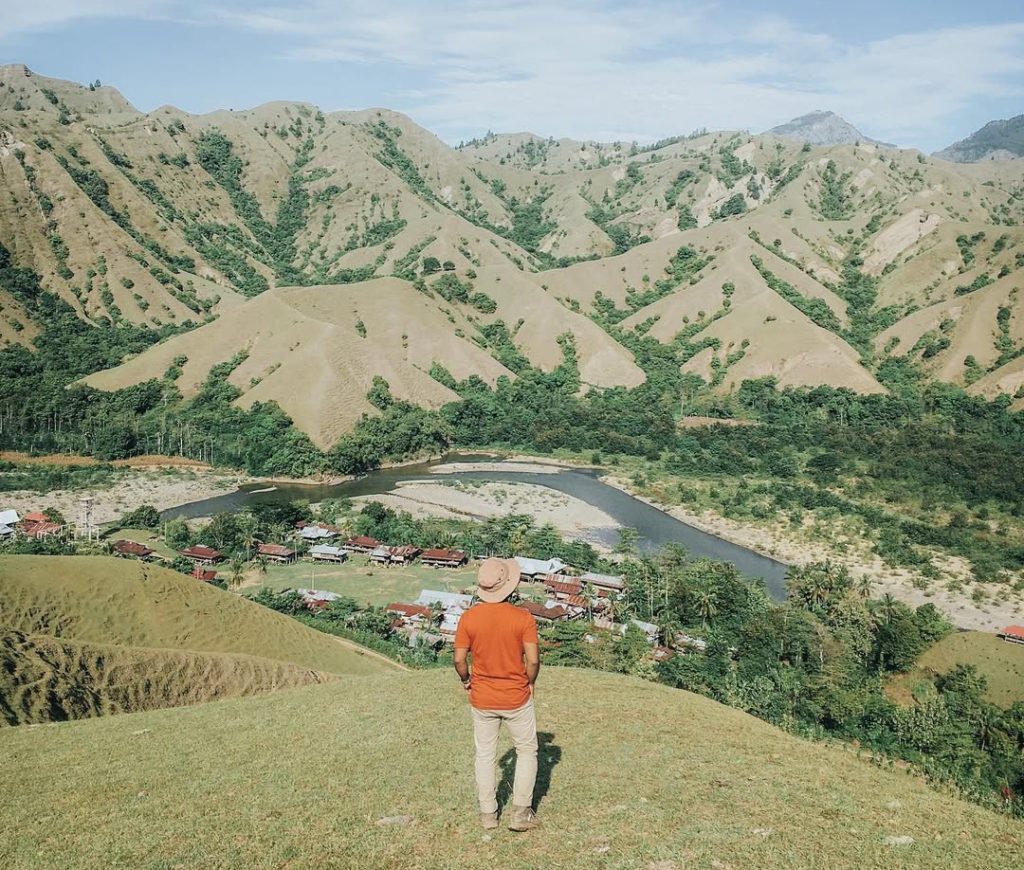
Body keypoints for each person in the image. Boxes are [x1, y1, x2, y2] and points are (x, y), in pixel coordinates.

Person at [454, 557, 541, 832]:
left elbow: (458, 660)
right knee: (527, 750)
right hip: (516, 696)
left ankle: (488, 815)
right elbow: (534, 660)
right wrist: (530, 682)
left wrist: (466, 680)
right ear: (509, 587)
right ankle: (521, 814)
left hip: (482, 697)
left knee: (485, 755)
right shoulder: (522, 618)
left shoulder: (469, 618)